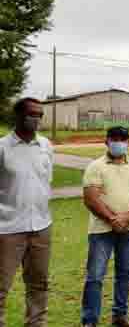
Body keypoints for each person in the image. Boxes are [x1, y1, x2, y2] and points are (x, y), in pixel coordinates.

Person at [81, 126, 129, 327]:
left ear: (128, 142)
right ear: (106, 142)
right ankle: (90, 321)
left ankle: (120, 316)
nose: (118, 143)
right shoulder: (95, 166)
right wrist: (113, 219)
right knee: (95, 276)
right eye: (114, 139)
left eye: (122, 139)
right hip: (101, 231)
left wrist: (126, 218)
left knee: (125, 274)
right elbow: (91, 199)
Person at [0, 98, 52, 327]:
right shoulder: (2, 148)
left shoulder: (46, 146)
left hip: (41, 227)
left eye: (40, 115)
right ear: (18, 116)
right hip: (8, 228)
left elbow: (46, 181)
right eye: (32, 114)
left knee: (39, 284)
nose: (36, 119)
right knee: (1, 286)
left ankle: (36, 324)